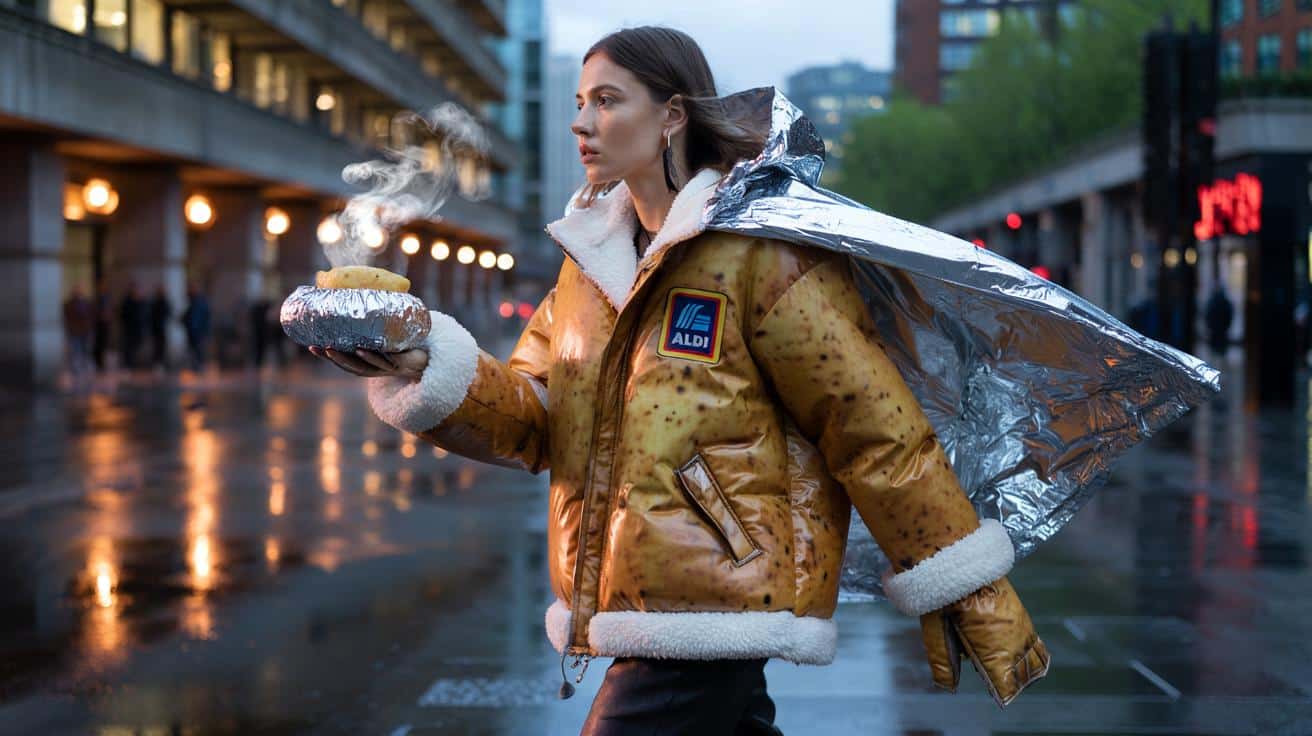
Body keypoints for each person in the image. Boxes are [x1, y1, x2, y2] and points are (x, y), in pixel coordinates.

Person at [313, 27, 1047, 733]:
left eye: (607, 101)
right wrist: (425, 364)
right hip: (635, 597)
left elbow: (871, 426)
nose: (582, 123)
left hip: (717, 596)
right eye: (578, 104)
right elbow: (536, 418)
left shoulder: (762, 255)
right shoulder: (584, 269)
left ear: (670, 116)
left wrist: (967, 586)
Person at [62, 285, 94, 377]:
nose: (78, 292)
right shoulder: (68, 305)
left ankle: (85, 370)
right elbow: (66, 318)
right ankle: (76, 371)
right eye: (76, 291)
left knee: (86, 352)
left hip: (86, 332)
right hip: (74, 332)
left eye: (80, 290)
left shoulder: (87, 303)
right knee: (75, 352)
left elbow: (91, 316)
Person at [181, 285, 211, 373]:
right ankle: (196, 367)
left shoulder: (199, 302)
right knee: (194, 350)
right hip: (193, 331)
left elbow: (203, 318)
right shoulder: (192, 303)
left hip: (198, 331)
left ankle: (200, 367)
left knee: (199, 350)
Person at [119, 283, 145, 370]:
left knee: (137, 346)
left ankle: (136, 364)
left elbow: (145, 315)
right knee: (129, 347)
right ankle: (128, 364)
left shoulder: (141, 301)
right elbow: (123, 315)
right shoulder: (127, 302)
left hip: (139, 329)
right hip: (129, 329)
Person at [1203, 286, 1233, 359]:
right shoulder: (1224, 301)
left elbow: (1208, 314)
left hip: (1217, 329)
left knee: (1215, 350)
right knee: (1219, 350)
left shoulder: (1214, 301)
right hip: (1220, 329)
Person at [149, 285, 172, 371]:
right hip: (156, 329)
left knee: (162, 348)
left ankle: (161, 365)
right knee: (157, 348)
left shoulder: (165, 302)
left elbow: (169, 314)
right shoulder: (154, 302)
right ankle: (157, 365)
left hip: (162, 329)